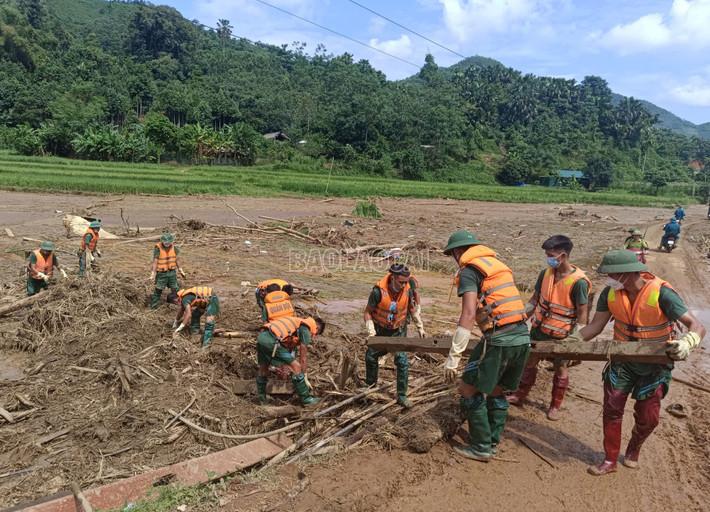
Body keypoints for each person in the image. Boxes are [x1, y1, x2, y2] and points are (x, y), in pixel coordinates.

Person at [570, 250, 705, 476]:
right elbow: (595, 327)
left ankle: (634, 447)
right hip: (622, 360)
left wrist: (687, 343)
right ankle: (610, 460)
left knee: (648, 416)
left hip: (655, 364)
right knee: (612, 408)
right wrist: (572, 340)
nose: (608, 280)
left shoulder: (662, 293)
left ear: (628, 273)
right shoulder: (610, 294)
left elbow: (697, 326)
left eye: (612, 275)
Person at [442, 230, 531, 462]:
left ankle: (481, 446)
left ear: (458, 252)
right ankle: (491, 441)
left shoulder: (470, 271)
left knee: (467, 389)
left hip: (499, 340)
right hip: (522, 336)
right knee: (497, 390)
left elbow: (469, 313)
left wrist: (454, 356)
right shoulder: (496, 265)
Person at [507, 235, 590, 420]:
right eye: (547, 254)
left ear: (563, 255)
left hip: (561, 334)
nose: (548, 258)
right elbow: (534, 299)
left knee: (561, 368)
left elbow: (582, 312)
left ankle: (555, 405)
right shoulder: (545, 274)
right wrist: (519, 319)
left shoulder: (579, 282)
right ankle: (520, 395)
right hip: (539, 329)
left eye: (551, 255)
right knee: (530, 362)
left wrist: (578, 338)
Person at [363, 264, 426, 409]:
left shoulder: (408, 288)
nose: (404, 285)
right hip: (381, 329)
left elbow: (412, 309)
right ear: (392, 278)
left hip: (399, 330)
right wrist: (371, 332)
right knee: (371, 356)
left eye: (405, 282)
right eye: (401, 282)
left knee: (402, 361)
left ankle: (402, 395)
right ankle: (370, 387)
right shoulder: (378, 291)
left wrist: (420, 327)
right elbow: (367, 312)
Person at [255, 315, 326, 406]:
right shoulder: (307, 327)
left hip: (262, 337)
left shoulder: (297, 323)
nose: (313, 336)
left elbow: (287, 349)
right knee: (296, 366)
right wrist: (304, 377)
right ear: (317, 327)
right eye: (316, 333)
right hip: (272, 340)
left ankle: (262, 400)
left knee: (263, 368)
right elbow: (303, 358)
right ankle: (306, 399)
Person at [150, 233, 186, 309]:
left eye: (169, 242)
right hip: (161, 273)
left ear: (172, 241)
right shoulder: (158, 248)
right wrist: (153, 273)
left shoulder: (174, 248)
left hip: (172, 272)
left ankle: (178, 302)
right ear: (162, 241)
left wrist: (181, 270)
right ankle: (153, 306)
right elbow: (155, 261)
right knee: (158, 289)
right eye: (165, 242)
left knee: (175, 288)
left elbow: (177, 260)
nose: (167, 243)